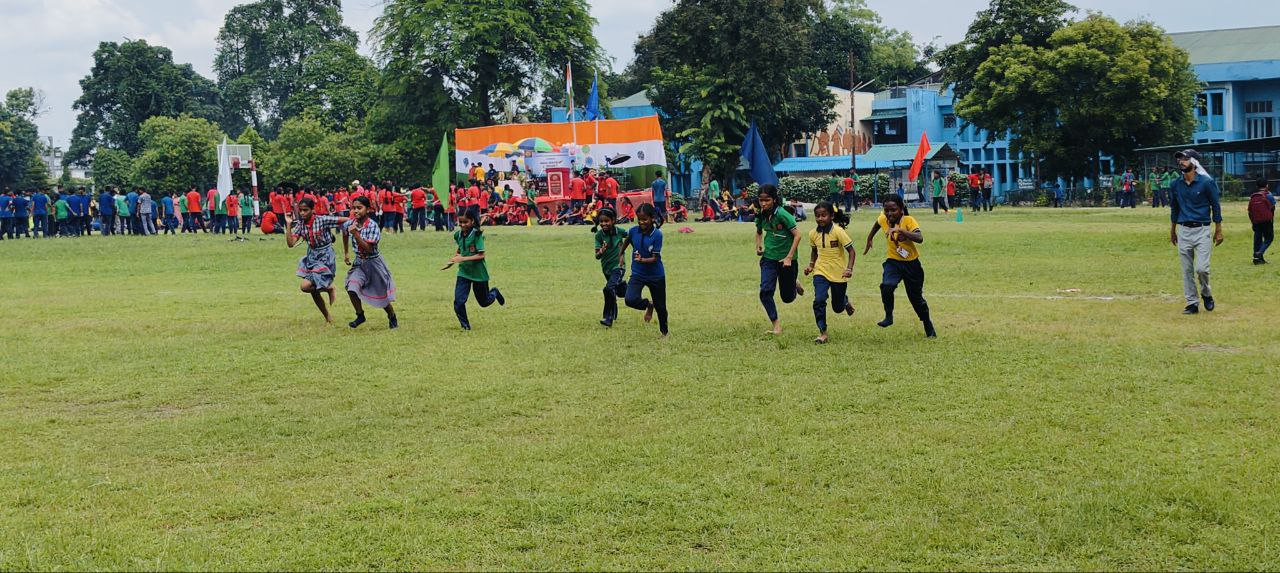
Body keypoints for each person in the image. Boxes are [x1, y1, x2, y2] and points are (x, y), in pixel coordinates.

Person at [863, 195, 936, 338]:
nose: (889, 214)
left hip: (912, 265)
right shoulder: (884, 218)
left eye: (893, 210)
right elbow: (877, 223)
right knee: (887, 286)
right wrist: (869, 238)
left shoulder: (908, 220)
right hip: (893, 262)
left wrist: (903, 232)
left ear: (901, 209)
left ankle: (927, 323)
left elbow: (920, 238)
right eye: (886, 210)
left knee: (916, 299)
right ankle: (889, 316)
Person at [1169, 149, 1223, 314]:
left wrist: (1218, 230)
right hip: (1184, 230)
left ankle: (1206, 293)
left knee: (1201, 269)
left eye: (1185, 159)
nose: (1181, 162)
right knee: (1186, 270)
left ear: (1194, 162)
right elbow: (1174, 208)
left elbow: (1216, 206)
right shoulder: (1175, 184)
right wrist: (1173, 230)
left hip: (1202, 230)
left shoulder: (1206, 182)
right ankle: (1192, 303)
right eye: (1179, 159)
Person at [443, 207, 505, 330]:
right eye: (460, 222)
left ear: (472, 221)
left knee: (484, 302)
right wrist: (453, 260)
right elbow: (461, 248)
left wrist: (463, 259)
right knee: (458, 302)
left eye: (465, 222)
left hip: (479, 274)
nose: (462, 225)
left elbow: (481, 255)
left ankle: (494, 292)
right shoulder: (458, 235)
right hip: (463, 273)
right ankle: (465, 327)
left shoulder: (477, 235)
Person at [341, 196, 398, 329]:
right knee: (351, 288)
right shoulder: (350, 223)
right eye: (353, 208)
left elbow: (369, 248)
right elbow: (344, 232)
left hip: (374, 263)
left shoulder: (372, 226)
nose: (356, 211)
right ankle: (360, 315)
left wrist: (356, 234)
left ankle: (391, 315)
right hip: (359, 263)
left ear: (367, 209)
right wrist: (346, 253)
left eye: (359, 208)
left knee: (381, 294)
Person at [755, 184, 804, 335]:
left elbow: (798, 235)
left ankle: (793, 281)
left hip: (787, 260)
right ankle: (776, 325)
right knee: (765, 292)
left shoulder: (783, 214)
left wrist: (789, 257)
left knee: (787, 298)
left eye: (767, 200)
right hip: (769, 258)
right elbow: (758, 232)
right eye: (761, 200)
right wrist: (758, 245)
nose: (763, 203)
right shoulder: (760, 214)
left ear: (774, 199)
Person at [804, 202, 856, 344]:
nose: (820, 218)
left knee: (837, 308)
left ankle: (844, 301)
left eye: (823, 215)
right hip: (820, 271)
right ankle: (823, 332)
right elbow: (814, 251)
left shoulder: (838, 231)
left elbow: (851, 251)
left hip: (838, 273)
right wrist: (811, 266)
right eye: (817, 216)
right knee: (819, 300)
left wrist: (849, 269)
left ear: (831, 216)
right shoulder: (812, 233)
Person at [288, 197, 345, 323]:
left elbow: (343, 220)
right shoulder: (300, 225)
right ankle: (327, 316)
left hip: (325, 256)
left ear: (312, 210)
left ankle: (329, 289)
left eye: (306, 210)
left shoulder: (322, 220)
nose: (302, 213)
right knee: (311, 289)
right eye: (301, 210)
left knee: (306, 286)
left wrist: (357, 221)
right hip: (312, 256)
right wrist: (288, 225)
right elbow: (291, 243)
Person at [619, 203, 669, 337]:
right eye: (639, 219)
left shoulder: (657, 235)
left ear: (652, 218)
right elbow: (628, 240)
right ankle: (648, 304)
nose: (641, 222)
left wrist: (642, 260)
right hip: (638, 274)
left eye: (644, 219)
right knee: (630, 299)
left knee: (661, 307)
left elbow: (655, 258)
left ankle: (664, 333)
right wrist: (621, 254)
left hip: (656, 275)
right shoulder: (634, 230)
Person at [592, 207, 627, 327]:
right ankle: (625, 289)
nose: (603, 224)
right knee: (618, 292)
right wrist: (601, 250)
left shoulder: (620, 231)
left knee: (608, 289)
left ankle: (608, 317)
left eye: (606, 221)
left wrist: (623, 251)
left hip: (618, 267)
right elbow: (597, 256)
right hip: (606, 268)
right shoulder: (598, 235)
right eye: (601, 221)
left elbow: (631, 237)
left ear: (613, 220)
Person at [1248, 179, 1274, 265]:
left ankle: (1257, 259)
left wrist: (1252, 222)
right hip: (1267, 221)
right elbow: (1272, 207)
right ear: (1267, 185)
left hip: (1256, 221)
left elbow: (1250, 211)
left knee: (1257, 239)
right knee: (1269, 238)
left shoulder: (1253, 196)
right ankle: (1260, 253)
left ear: (1257, 187)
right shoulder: (1268, 195)